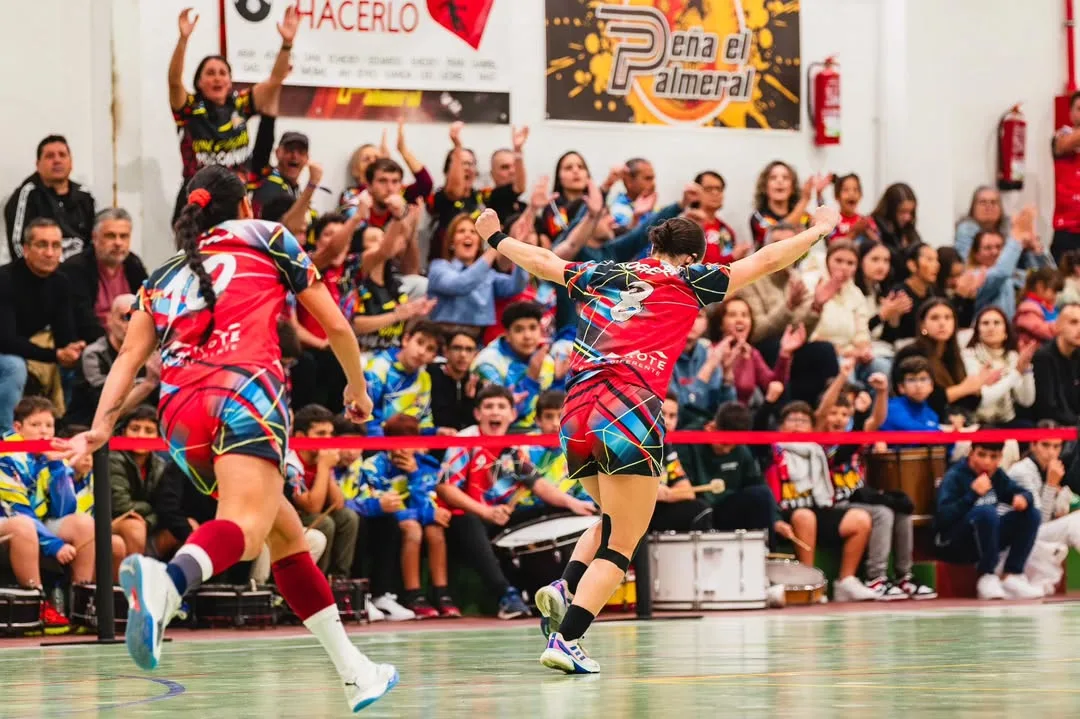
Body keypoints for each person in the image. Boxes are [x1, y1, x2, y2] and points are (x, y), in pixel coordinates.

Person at [54, 165, 397, 712]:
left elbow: (128, 358)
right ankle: (169, 583)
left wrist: (100, 426)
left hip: (179, 414)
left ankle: (355, 670)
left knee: (285, 535)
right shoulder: (267, 235)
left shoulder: (162, 274)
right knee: (248, 528)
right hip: (245, 394)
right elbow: (336, 326)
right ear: (244, 207)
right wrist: (357, 390)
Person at [471, 201, 841, 674]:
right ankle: (568, 639)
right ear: (691, 257)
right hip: (628, 412)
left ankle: (565, 588)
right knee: (623, 542)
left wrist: (496, 237)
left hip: (576, 412)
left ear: (653, 246)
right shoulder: (690, 280)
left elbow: (543, 261)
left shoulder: (605, 272)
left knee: (612, 518)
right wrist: (820, 229)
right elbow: (768, 258)